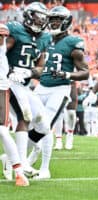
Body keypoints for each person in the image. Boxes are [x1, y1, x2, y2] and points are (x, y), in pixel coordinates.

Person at [31, 5, 89, 179]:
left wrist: (67, 74)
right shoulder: (45, 39)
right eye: (52, 20)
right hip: (41, 87)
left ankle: (44, 169)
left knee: (45, 126)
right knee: (32, 124)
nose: (54, 23)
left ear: (66, 22)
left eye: (58, 20)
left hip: (60, 88)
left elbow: (85, 71)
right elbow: (41, 66)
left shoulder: (73, 42)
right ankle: (30, 157)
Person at [5, 2, 51, 177]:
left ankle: (10, 159)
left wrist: (28, 72)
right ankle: (21, 163)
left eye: (43, 19)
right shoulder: (14, 30)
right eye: (38, 17)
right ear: (29, 16)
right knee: (24, 118)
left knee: (44, 126)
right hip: (7, 82)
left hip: (24, 85)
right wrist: (9, 71)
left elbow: (41, 67)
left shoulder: (44, 38)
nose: (41, 22)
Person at [0, 23, 29, 186]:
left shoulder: (3, 45)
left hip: (1, 89)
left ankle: (19, 171)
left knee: (2, 131)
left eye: (2, 38)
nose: (2, 40)